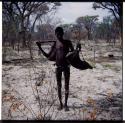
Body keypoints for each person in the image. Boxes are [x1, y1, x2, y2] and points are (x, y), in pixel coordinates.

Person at [36, 27, 74, 111]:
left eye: (60, 33)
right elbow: (49, 56)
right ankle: (60, 104)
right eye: (57, 33)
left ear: (63, 33)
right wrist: (40, 47)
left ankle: (66, 104)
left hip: (67, 67)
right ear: (55, 34)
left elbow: (73, 54)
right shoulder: (55, 44)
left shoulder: (68, 42)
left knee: (66, 85)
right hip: (58, 67)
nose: (58, 35)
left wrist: (78, 49)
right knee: (59, 86)